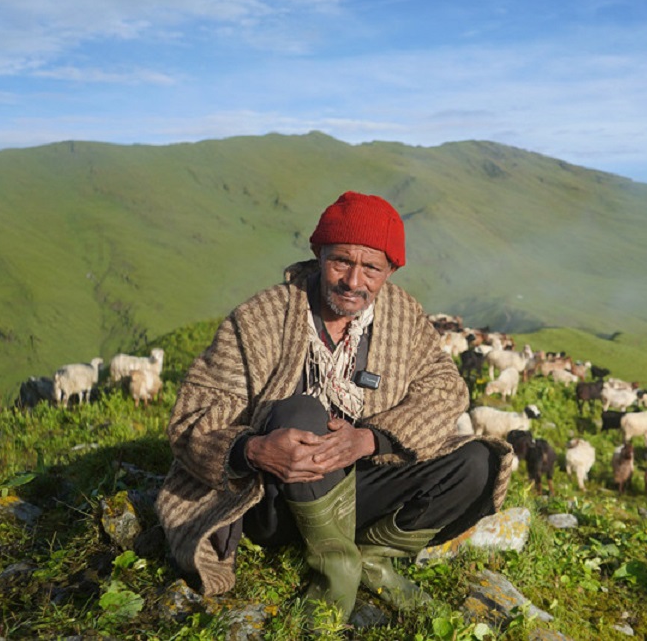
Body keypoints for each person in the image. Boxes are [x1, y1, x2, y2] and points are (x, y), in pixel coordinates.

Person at [156, 191, 513, 617]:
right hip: (273, 497)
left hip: (355, 485)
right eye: (341, 261)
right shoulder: (262, 317)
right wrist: (253, 450)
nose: (353, 281)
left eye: (372, 268)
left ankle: (372, 558)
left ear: (391, 270)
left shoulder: (402, 317)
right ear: (319, 254)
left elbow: (446, 390)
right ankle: (335, 575)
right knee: (301, 412)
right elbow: (191, 418)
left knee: (477, 462)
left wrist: (372, 439)